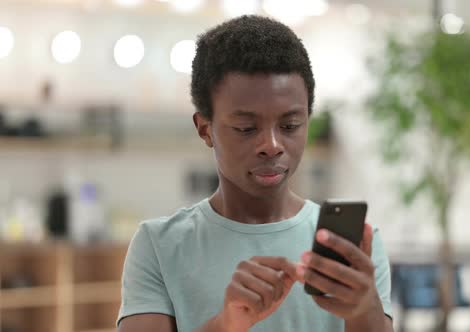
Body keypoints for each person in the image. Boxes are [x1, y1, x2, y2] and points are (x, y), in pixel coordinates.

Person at [117, 15, 393, 332]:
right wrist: (227, 324)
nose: (272, 145)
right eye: (247, 128)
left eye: (290, 126)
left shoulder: (354, 247)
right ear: (205, 129)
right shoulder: (160, 245)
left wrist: (364, 310)